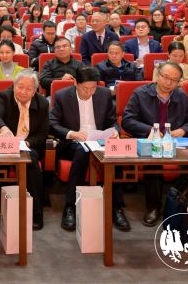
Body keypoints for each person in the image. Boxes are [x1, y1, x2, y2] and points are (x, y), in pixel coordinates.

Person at [49, 67, 130, 232]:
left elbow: (112, 122)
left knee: (114, 153)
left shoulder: (104, 94)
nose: (89, 92)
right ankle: (70, 206)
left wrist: (115, 131)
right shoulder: (62, 96)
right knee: (82, 151)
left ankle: (117, 208)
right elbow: (52, 123)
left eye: (93, 88)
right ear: (75, 83)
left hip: (99, 140)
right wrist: (72, 133)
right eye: (85, 88)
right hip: (73, 142)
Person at [122, 63, 188, 226]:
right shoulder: (141, 93)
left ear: (179, 82)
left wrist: (183, 130)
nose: (168, 82)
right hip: (149, 141)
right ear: (157, 75)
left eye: (174, 80)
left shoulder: (181, 96)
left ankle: (179, 206)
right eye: (165, 77)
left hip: (175, 143)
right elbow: (127, 120)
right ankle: (153, 207)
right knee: (153, 160)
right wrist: (151, 130)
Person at [0, 70, 47, 230]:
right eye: (20, 87)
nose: (24, 92)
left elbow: (43, 133)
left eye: (29, 89)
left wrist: (27, 142)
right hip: (5, 143)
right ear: (14, 86)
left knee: (31, 162)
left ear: (34, 91)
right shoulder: (4, 97)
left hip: (28, 145)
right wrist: (3, 129)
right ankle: (0, 212)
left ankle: (36, 212)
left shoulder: (42, 103)